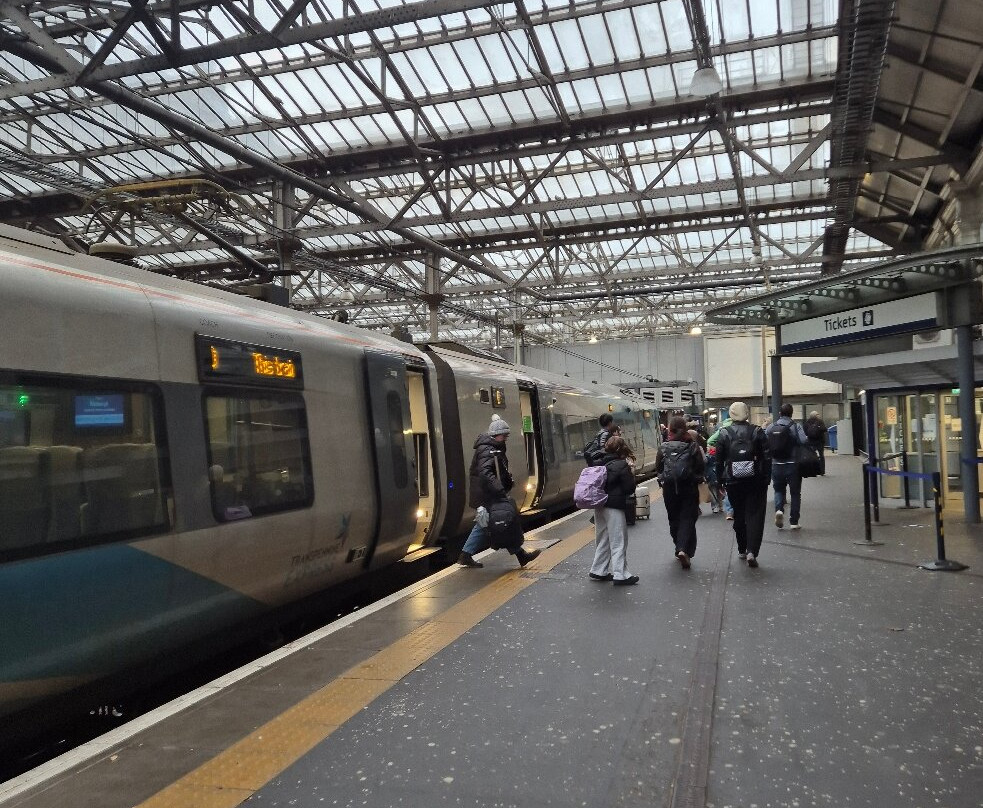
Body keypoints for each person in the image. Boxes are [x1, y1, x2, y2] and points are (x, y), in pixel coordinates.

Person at [457, 416, 541, 569]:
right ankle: (520, 555)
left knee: (488, 523)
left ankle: (466, 555)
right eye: (504, 435)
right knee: (504, 521)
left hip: (487, 493)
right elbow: (485, 472)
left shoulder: (491, 446)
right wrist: (499, 487)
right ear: (496, 435)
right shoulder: (487, 449)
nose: (506, 438)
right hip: (488, 493)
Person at [714, 402, 771, 567]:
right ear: (747, 413)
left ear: (731, 414)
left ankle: (741, 548)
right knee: (755, 514)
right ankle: (752, 551)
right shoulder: (757, 431)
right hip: (755, 480)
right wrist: (766, 477)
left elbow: (718, 461)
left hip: (733, 481)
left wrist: (720, 481)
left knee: (738, 513)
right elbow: (767, 457)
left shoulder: (724, 433)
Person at [656, 416, 705, 569]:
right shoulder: (692, 445)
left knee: (674, 518)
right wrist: (697, 478)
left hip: (669, 488)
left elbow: (659, 468)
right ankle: (683, 549)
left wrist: (663, 479)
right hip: (689, 486)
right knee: (688, 517)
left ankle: (680, 547)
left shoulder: (663, 447)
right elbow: (700, 466)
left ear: (670, 429)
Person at [588, 436, 639, 585]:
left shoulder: (598, 462)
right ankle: (621, 574)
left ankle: (598, 570)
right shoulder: (622, 464)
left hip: (599, 505)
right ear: (621, 449)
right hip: (614, 506)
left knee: (603, 539)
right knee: (619, 540)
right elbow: (629, 488)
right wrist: (631, 471)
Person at [765, 403, 809, 530]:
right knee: (795, 493)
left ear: (780, 413)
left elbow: (765, 441)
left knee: (778, 490)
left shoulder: (771, 426)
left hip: (776, 464)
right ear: (791, 413)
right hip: (792, 464)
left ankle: (779, 510)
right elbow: (803, 441)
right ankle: (794, 522)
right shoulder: (795, 426)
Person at [804, 411, 828, 475]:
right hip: (820, 441)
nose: (819, 415)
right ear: (815, 415)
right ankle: (822, 471)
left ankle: (812, 470)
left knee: (811, 456)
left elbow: (805, 432)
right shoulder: (820, 421)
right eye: (817, 414)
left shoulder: (807, 422)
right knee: (821, 456)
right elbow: (825, 429)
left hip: (811, 441)